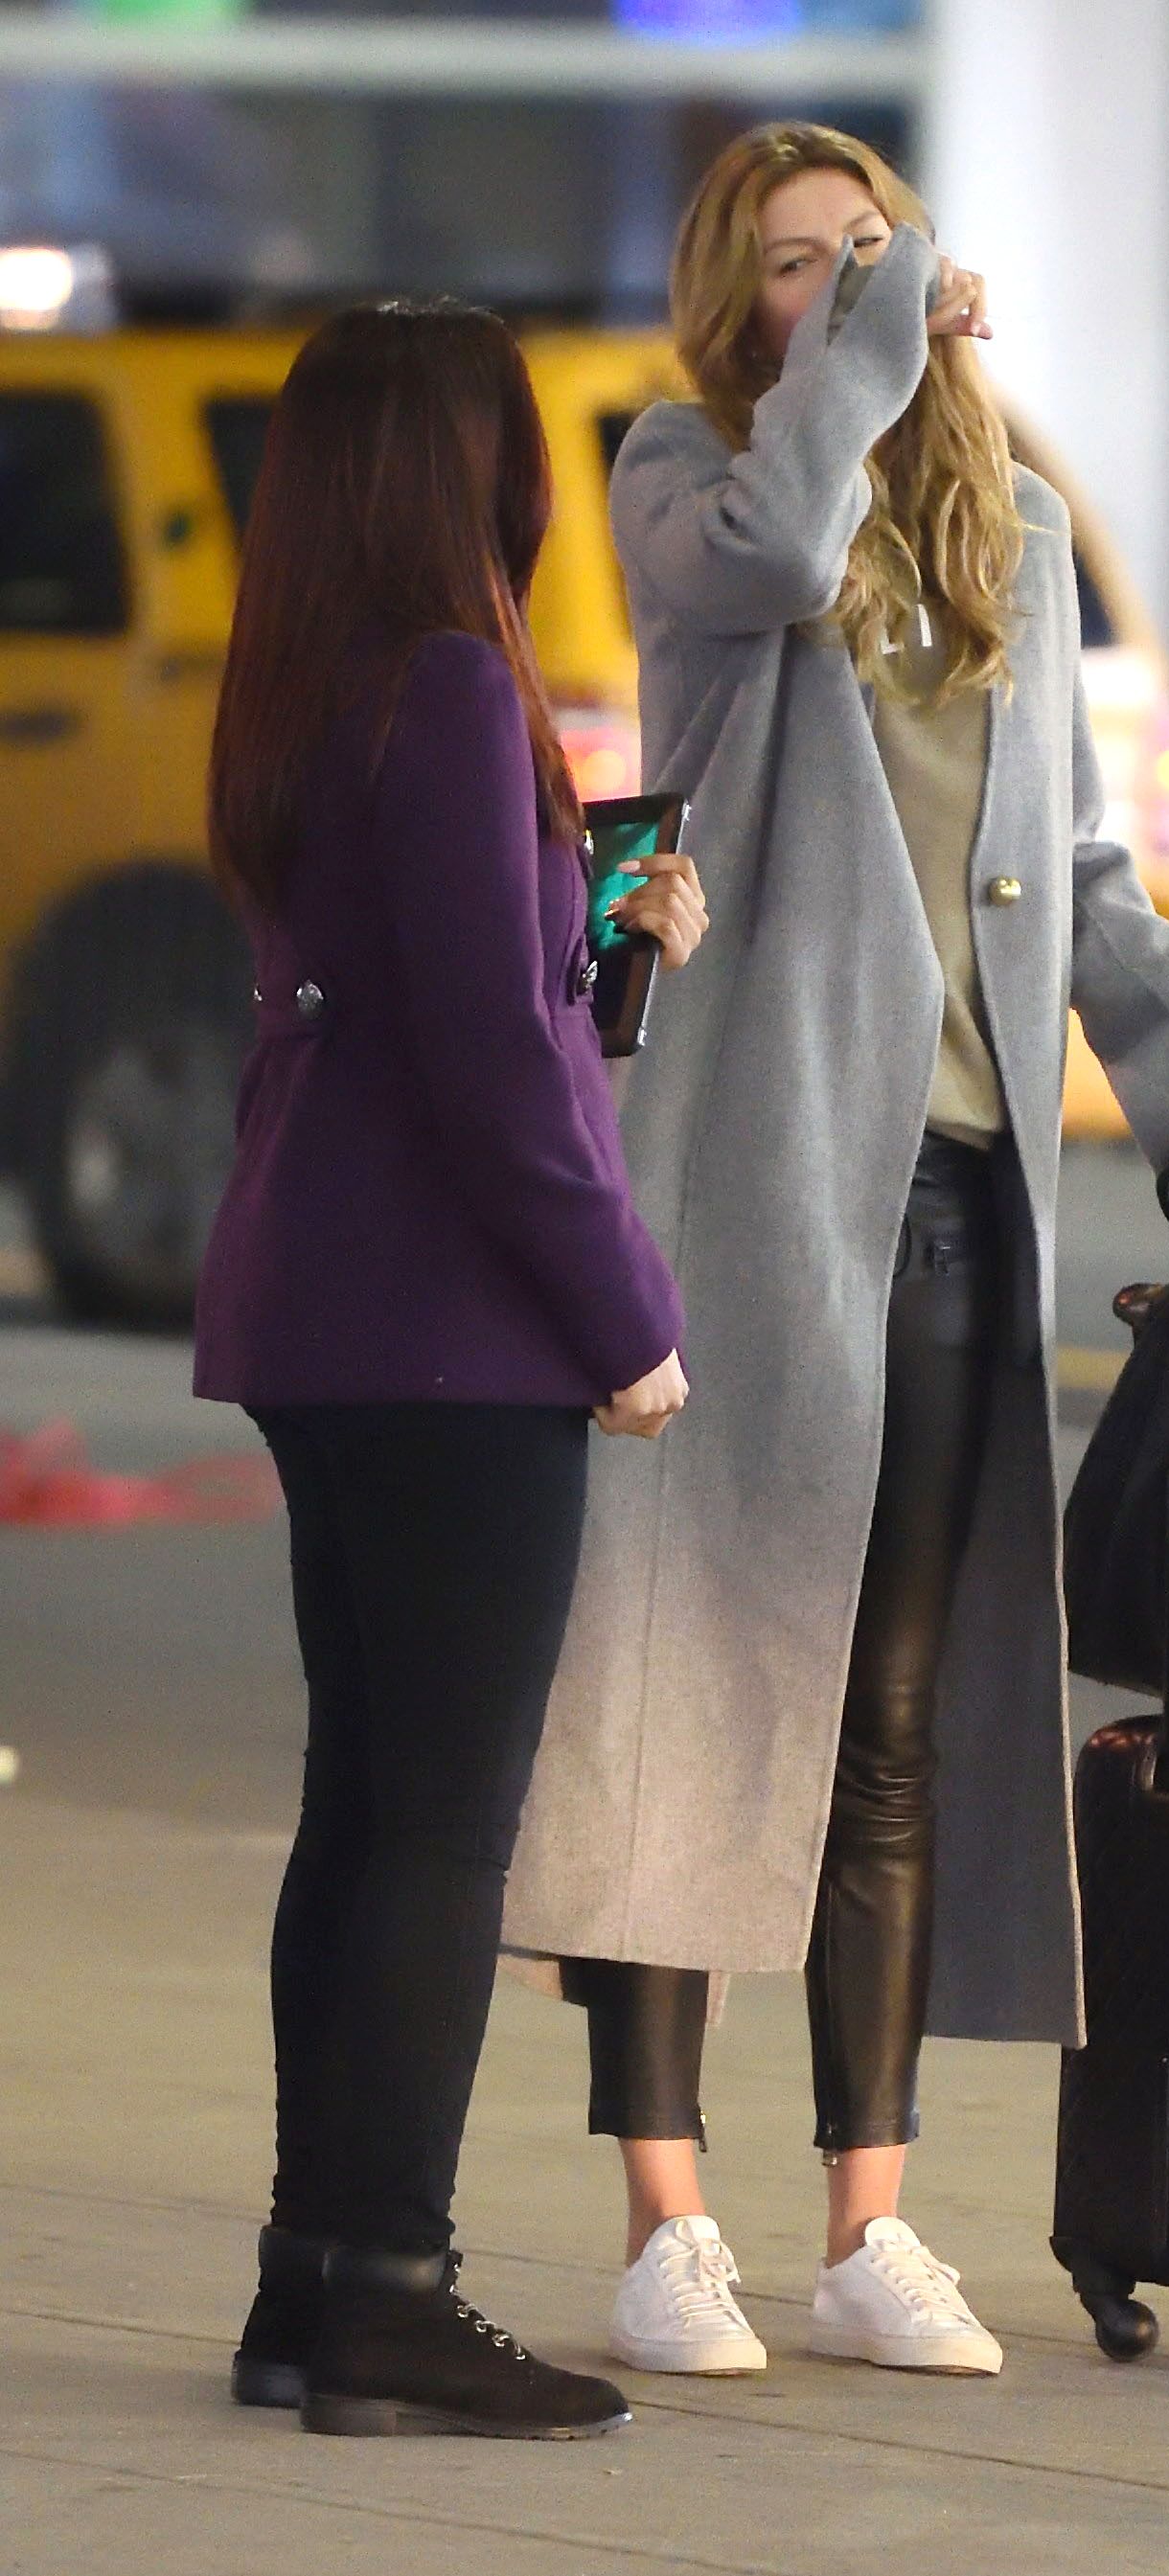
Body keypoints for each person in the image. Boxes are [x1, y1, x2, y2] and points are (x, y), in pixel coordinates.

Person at [501, 123, 1169, 2380]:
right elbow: (766, 558)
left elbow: (1086, 867)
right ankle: (668, 2225)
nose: (842, 287)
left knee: (895, 1723)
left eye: (870, 253)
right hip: (738, 1181)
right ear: (732, 298)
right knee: (682, 1689)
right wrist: (863, 341)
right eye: (795, 264)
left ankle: (871, 2223)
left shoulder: (1014, 536)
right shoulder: (693, 477)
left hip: (958, 1192)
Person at [195, 299, 706, 2439]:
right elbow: (495, 1074)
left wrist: (603, 950)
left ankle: (317, 2280)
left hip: (333, 1313)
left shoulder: (314, 686)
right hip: (448, 1340)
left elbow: (465, 1007)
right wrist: (630, 1322)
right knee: (439, 1835)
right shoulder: (450, 684)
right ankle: (393, 2288)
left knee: (365, 1812)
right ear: (463, 468)